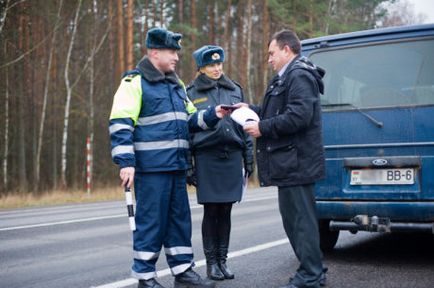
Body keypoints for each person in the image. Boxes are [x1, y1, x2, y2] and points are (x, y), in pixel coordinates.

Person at [109, 28, 229, 288]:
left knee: (178, 222)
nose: (176, 56)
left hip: (176, 167)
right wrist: (126, 163)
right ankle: (145, 278)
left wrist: (212, 114)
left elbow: (189, 119)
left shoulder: (176, 84)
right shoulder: (134, 82)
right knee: (150, 224)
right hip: (151, 170)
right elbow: (120, 125)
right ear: (154, 52)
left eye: (177, 51)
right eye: (171, 51)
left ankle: (183, 272)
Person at [238, 29, 327, 288]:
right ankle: (315, 269)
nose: (269, 59)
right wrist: (250, 110)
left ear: (287, 50)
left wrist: (262, 128)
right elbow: (274, 111)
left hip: (297, 163)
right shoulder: (286, 77)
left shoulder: (298, 75)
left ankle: (310, 275)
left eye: (271, 53)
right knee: (296, 221)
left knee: (301, 223)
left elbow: (299, 116)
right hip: (290, 163)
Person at [186, 45, 254, 281]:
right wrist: (188, 166)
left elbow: (245, 126)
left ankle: (223, 261)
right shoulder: (191, 92)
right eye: (211, 65)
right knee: (211, 210)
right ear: (201, 67)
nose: (216, 69)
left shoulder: (234, 89)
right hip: (207, 158)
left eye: (219, 64)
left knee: (226, 210)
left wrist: (249, 157)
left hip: (232, 156)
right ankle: (211, 263)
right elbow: (186, 131)